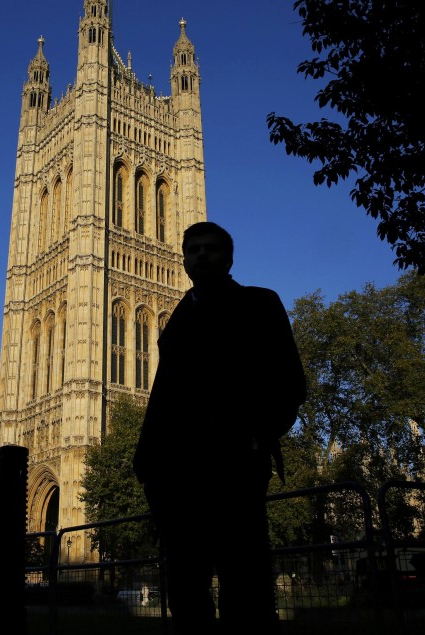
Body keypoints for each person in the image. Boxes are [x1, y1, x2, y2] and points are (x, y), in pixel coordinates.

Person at [133, 221, 306, 633]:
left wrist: (256, 437)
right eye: (193, 249)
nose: (202, 255)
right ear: (185, 259)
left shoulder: (260, 303)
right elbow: (163, 395)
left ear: (229, 258)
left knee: (244, 578)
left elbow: (290, 382)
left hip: (234, 463)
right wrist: (147, 462)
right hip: (177, 474)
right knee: (185, 586)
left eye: (211, 248)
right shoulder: (178, 317)